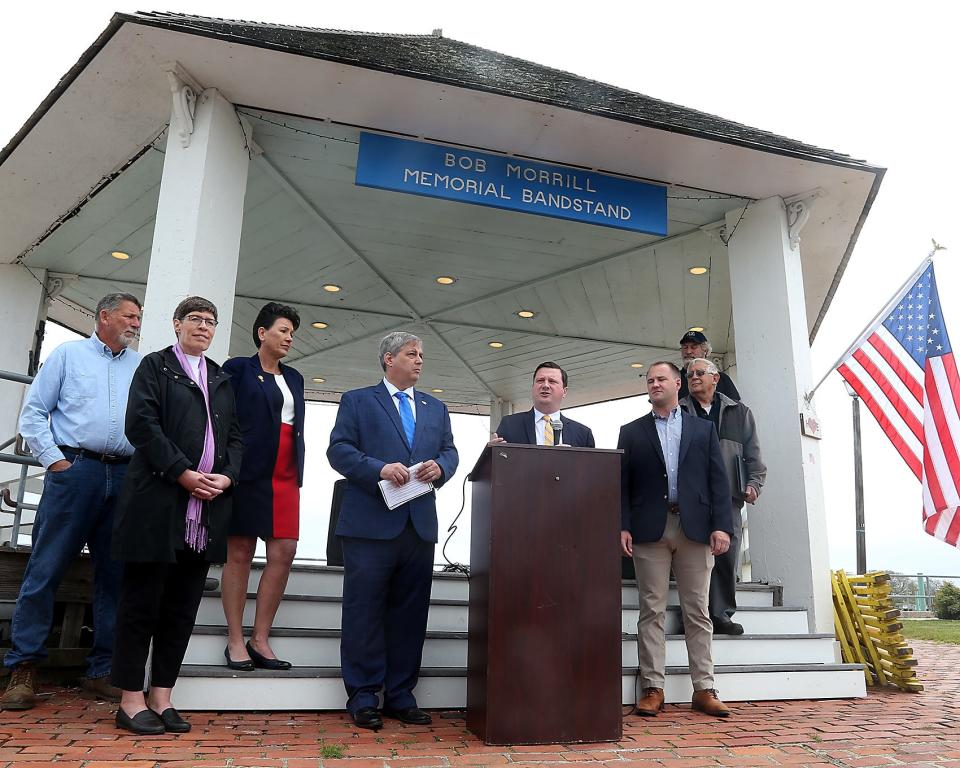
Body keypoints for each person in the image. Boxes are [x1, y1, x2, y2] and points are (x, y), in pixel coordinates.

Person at [2, 293, 142, 711]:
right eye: (129, 316)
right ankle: (23, 667)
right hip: (75, 469)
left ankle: (101, 670)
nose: (136, 323)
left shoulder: (141, 366)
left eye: (138, 318)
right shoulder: (69, 355)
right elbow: (34, 412)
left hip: (124, 475)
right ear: (104, 316)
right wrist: (56, 461)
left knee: (115, 576)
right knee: (45, 568)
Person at [110, 296, 242, 735]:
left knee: (181, 608)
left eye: (210, 321)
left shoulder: (221, 377)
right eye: (196, 320)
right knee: (141, 604)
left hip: (205, 511)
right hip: (157, 503)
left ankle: (162, 695)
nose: (203, 327)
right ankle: (130, 700)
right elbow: (141, 425)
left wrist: (224, 477)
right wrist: (182, 473)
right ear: (177, 324)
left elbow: (236, 439)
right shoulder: (155, 366)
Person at [327, 331, 458, 731]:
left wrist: (442, 468)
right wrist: (378, 468)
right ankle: (364, 696)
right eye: (411, 354)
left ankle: (400, 694)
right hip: (369, 526)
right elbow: (338, 450)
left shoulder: (435, 407)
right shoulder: (357, 400)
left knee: (410, 615)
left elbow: (450, 451)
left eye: (421, 355)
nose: (419, 361)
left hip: (417, 527)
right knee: (363, 612)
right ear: (388, 359)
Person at [618, 361, 733, 718]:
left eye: (661, 379)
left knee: (697, 610)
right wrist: (623, 525)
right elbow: (621, 486)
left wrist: (722, 526)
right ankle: (653, 687)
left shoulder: (703, 430)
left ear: (677, 384)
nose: (654, 384)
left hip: (695, 528)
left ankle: (705, 688)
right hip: (649, 530)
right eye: (649, 380)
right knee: (650, 610)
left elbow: (718, 481)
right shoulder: (631, 431)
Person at [220, 302, 305, 671]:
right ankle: (235, 639)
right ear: (262, 333)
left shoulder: (296, 377)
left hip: (286, 473)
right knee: (239, 551)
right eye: (283, 330)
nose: (289, 338)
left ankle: (261, 638)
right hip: (248, 471)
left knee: (283, 551)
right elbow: (221, 417)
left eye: (291, 333)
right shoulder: (238, 368)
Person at [680, 358, 766, 635]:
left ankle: (721, 615)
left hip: (728, 496)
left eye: (700, 373)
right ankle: (693, 616)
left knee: (726, 557)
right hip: (689, 496)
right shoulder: (678, 411)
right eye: (690, 374)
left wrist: (754, 483)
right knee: (692, 558)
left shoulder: (739, 412)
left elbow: (753, 453)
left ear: (715, 378)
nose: (693, 377)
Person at [490, 361, 595, 447]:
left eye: (552, 381)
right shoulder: (510, 424)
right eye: (540, 380)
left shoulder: (583, 434)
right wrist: (490, 455)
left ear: (564, 391)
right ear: (533, 387)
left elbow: (591, 470)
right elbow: (496, 466)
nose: (545, 385)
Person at [677, 331, 740, 401]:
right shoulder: (674, 379)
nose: (688, 351)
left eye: (693, 347)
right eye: (685, 347)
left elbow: (736, 408)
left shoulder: (722, 379)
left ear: (705, 351)